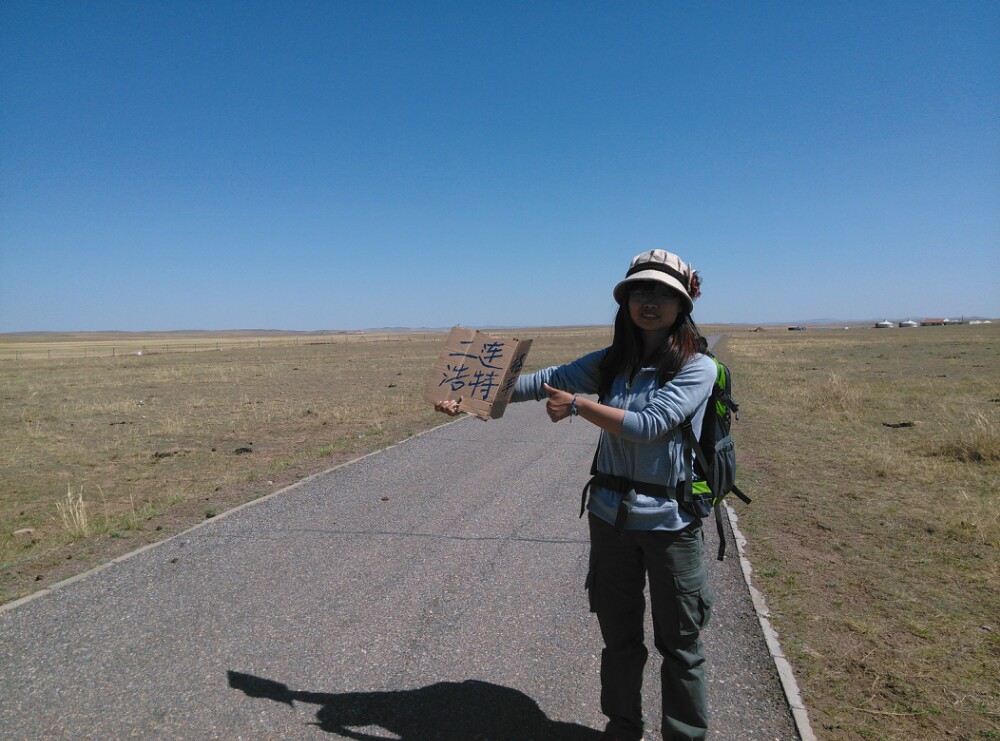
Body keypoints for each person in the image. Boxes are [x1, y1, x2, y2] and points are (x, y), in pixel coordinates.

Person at [435, 248, 716, 741]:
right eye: (640, 292)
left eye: (662, 293)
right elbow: (544, 382)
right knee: (619, 639)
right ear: (625, 300)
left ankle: (685, 736)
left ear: (682, 303)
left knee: (681, 646)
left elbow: (649, 425)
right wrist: (470, 398)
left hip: (671, 524)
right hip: (610, 519)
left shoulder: (697, 368)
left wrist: (581, 406)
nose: (649, 302)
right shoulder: (612, 362)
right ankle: (622, 730)